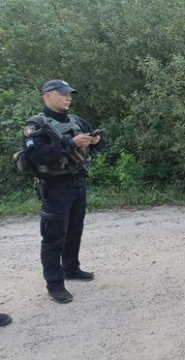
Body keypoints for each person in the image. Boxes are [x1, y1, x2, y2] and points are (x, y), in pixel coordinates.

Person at [22, 79, 105, 304]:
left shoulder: (77, 121)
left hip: (77, 183)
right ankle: (55, 284)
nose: (68, 97)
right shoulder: (35, 125)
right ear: (47, 95)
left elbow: (100, 144)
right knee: (53, 238)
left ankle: (71, 268)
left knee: (74, 231)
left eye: (70, 94)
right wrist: (71, 144)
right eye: (63, 93)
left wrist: (95, 141)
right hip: (55, 188)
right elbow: (36, 155)